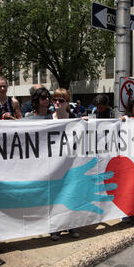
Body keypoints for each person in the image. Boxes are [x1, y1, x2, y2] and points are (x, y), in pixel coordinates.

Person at [49, 88, 80, 240]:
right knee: (55, 195)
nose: (57, 102)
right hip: (53, 165)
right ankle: (55, 228)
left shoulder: (74, 117)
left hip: (70, 164)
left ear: (67, 103)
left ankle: (71, 225)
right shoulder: (48, 119)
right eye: (55, 99)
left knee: (70, 194)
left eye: (60, 100)